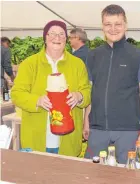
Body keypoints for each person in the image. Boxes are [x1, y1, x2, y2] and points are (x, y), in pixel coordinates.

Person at [11, 20, 91, 156]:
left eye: (61, 34)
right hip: (36, 139)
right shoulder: (29, 64)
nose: (57, 38)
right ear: (45, 38)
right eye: (52, 34)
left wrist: (79, 96)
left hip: (68, 139)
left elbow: (87, 92)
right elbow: (17, 94)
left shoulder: (78, 64)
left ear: (66, 39)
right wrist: (37, 101)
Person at [84, 4, 140, 164]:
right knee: (93, 176)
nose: (113, 28)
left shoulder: (138, 56)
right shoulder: (93, 56)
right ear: (102, 26)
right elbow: (92, 91)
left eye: (118, 24)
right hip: (97, 129)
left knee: (127, 177)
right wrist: (86, 123)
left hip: (128, 131)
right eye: (108, 24)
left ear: (125, 26)